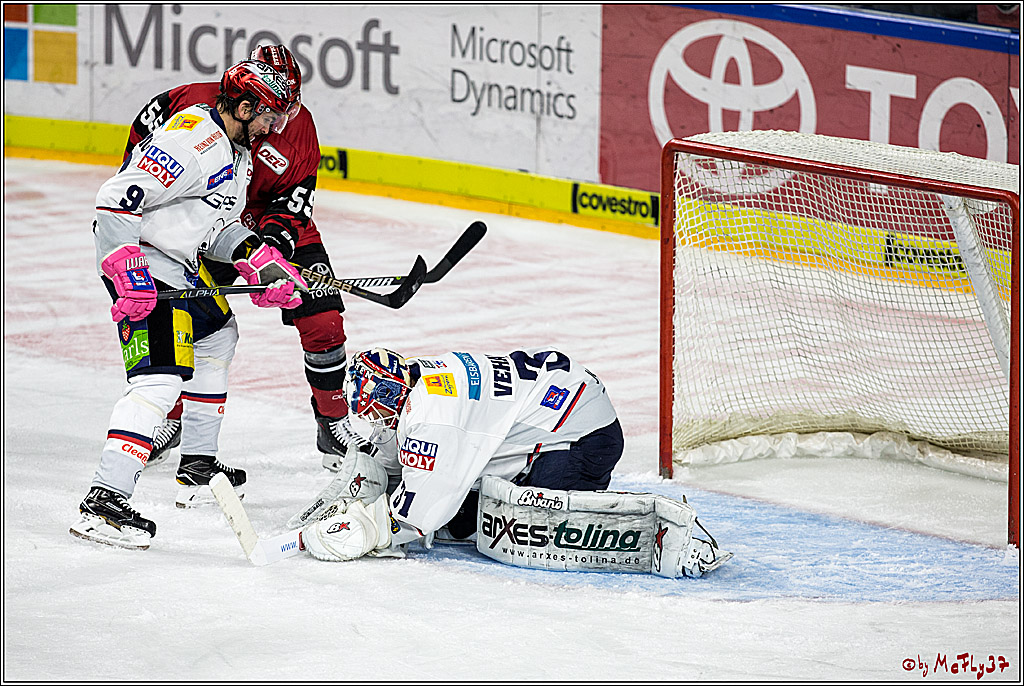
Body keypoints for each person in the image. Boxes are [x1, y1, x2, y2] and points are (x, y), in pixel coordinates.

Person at [69, 60, 307, 550]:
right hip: (142, 262)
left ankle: (197, 466)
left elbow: (211, 225)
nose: (274, 128)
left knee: (219, 334)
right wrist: (124, 266)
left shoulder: (236, 147)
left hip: (174, 262)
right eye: (270, 117)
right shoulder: (193, 143)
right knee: (158, 380)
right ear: (244, 107)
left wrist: (256, 259)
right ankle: (103, 502)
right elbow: (117, 198)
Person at [123, 45, 366, 473]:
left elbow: (293, 205)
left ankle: (333, 422)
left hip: (260, 228)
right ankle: (175, 418)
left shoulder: (300, 130)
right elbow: (136, 168)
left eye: (291, 107)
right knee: (191, 324)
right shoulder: (187, 105)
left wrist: (272, 246)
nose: (283, 120)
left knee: (324, 320)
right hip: (205, 226)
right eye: (277, 108)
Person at [293, 347, 732, 577]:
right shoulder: (421, 379)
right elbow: (398, 454)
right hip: (557, 409)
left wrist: (368, 528)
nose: (373, 422)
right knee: (466, 513)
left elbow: (420, 515)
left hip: (582, 436)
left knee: (516, 525)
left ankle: (661, 536)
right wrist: (364, 480)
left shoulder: (434, 413)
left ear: (392, 395)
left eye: (373, 410)